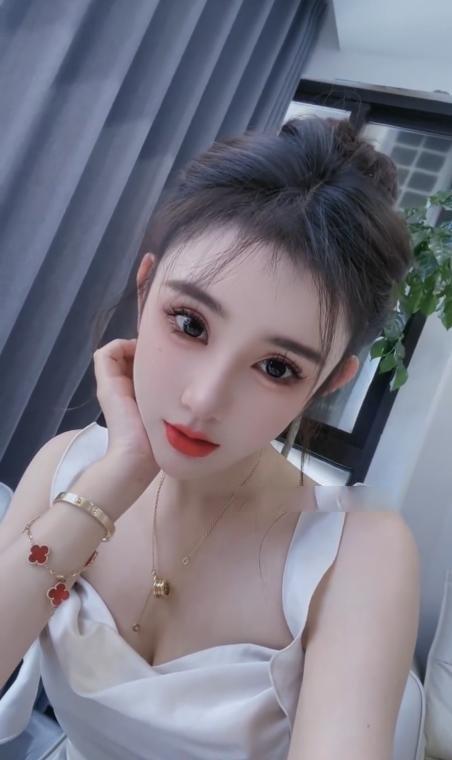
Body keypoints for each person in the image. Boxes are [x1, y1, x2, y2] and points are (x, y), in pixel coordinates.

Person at [0, 116, 420, 759]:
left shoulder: (357, 554)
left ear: (328, 383)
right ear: (146, 288)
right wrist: (118, 476)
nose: (203, 400)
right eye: (190, 324)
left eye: (276, 367)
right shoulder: (68, 467)